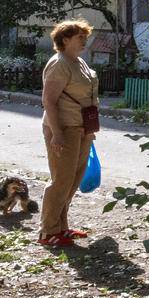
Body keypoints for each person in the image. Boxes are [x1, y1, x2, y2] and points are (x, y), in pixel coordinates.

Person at [39, 18, 99, 247]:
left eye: (85, 37)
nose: (85, 40)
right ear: (65, 40)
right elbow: (49, 100)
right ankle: (48, 232)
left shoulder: (78, 62)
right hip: (63, 128)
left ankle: (61, 228)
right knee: (61, 180)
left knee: (73, 179)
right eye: (79, 37)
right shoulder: (59, 63)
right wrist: (57, 133)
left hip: (82, 127)